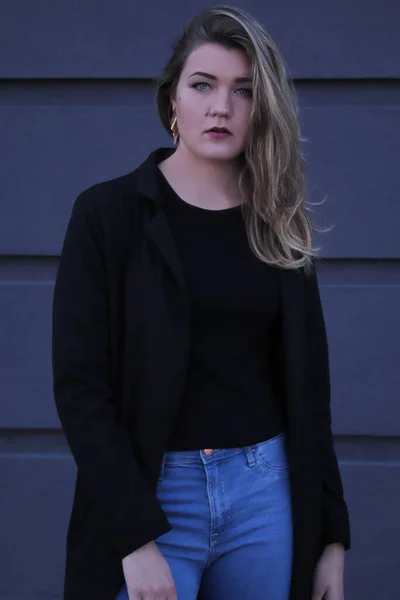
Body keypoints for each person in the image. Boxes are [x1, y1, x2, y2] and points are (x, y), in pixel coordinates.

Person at [52, 5, 351, 600]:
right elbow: (81, 388)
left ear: (261, 108)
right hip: (153, 497)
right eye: (203, 85)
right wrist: (133, 540)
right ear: (172, 102)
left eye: (243, 91)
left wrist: (330, 538)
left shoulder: (277, 221)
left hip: (266, 497)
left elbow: (310, 389)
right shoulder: (108, 215)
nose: (222, 106)